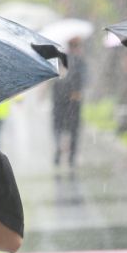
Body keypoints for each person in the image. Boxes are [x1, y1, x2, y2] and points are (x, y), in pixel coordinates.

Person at [51, 37, 87, 167]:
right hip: (74, 101)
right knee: (73, 129)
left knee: (58, 127)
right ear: (77, 47)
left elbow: (53, 79)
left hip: (58, 100)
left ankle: (58, 148)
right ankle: (71, 156)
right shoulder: (80, 62)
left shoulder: (60, 60)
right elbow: (85, 80)